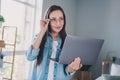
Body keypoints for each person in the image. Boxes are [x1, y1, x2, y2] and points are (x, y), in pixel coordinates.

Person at [26, 5, 82, 80]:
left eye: (61, 19)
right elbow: (30, 57)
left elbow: (67, 70)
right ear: (47, 21)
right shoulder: (39, 37)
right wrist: (42, 31)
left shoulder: (69, 41)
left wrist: (72, 68)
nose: (58, 23)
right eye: (53, 19)